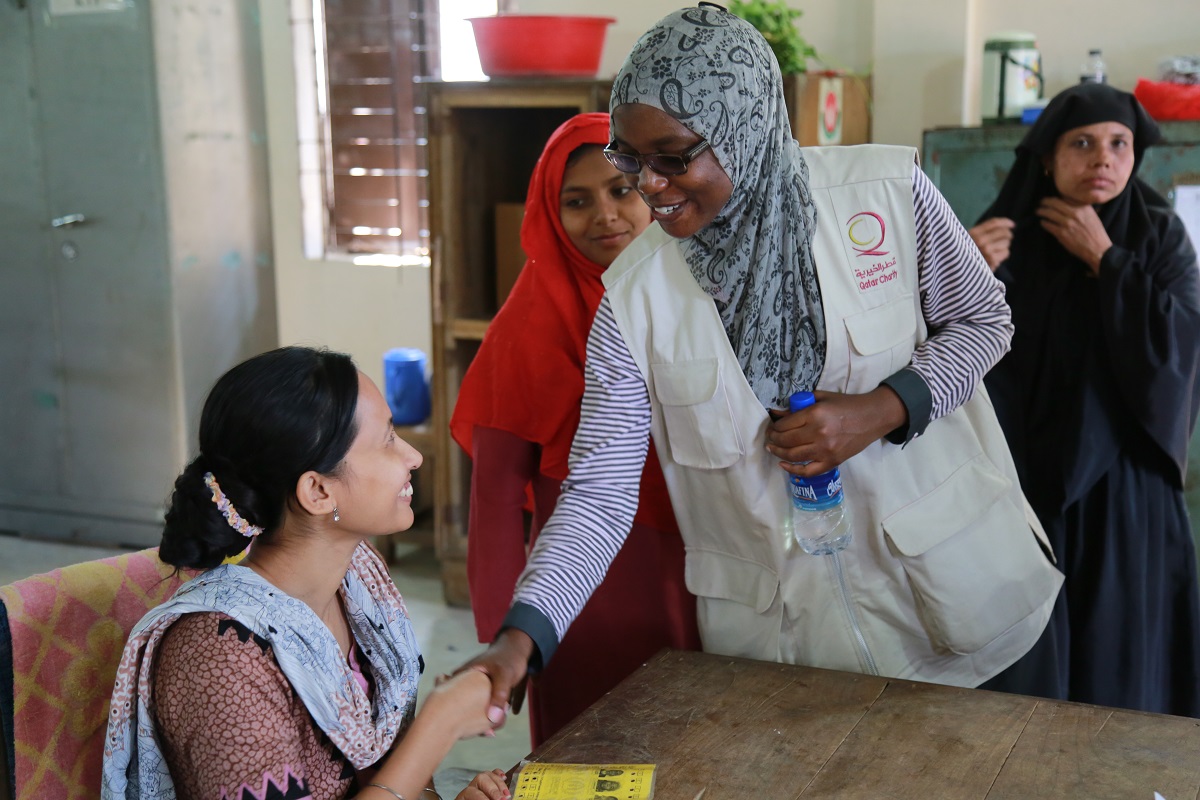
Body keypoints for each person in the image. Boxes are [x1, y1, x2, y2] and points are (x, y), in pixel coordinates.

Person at [458, 5, 1064, 722]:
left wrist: (885, 407)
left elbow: (985, 321)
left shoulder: (885, 197)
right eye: (630, 158)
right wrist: (522, 636)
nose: (650, 186)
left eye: (674, 157)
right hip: (795, 659)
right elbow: (599, 492)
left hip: (967, 615)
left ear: (746, 126)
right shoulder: (634, 297)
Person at [101, 347, 510, 800]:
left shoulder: (359, 581)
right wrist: (439, 726)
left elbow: (394, 783)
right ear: (317, 491)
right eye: (388, 440)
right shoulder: (218, 659)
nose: (412, 456)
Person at [449, 113, 701, 746]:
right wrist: (508, 631)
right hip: (586, 564)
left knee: (695, 724)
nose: (606, 216)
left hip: (699, 548)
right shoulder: (530, 319)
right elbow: (498, 489)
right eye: (577, 201)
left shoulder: (693, 286)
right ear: (547, 213)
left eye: (621, 190)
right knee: (588, 738)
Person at [968, 82, 1200, 716]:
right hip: (1023, 490)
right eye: (1083, 143)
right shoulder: (1000, 240)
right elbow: (953, 361)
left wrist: (1108, 261)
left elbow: (1183, 347)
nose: (1104, 158)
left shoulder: (1160, 238)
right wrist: (964, 277)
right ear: (1047, 158)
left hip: (1127, 493)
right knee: (1027, 680)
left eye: (1119, 144)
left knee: (1121, 669)